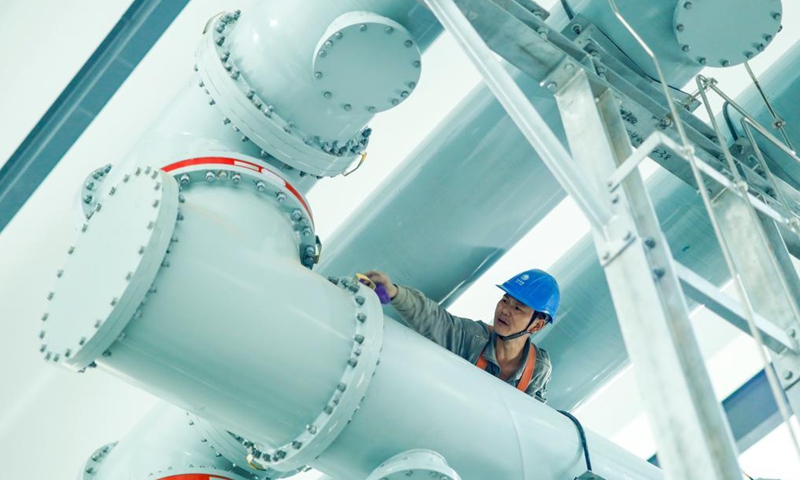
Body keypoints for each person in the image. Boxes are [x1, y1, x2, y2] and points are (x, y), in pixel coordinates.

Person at [363, 269, 559, 403]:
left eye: (518, 308)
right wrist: (395, 293)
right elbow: (434, 319)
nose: (505, 310)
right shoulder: (472, 338)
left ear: (537, 325)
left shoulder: (539, 369)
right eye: (505, 300)